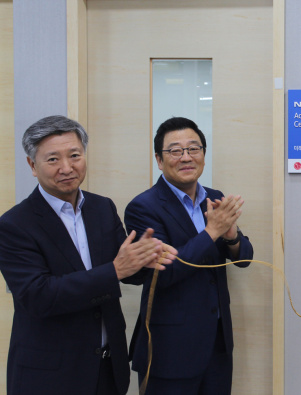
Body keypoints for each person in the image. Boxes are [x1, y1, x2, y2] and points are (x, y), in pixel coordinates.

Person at [0, 115, 175, 395]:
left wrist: (146, 258)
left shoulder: (102, 208)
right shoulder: (14, 224)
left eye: (75, 155)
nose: (67, 167)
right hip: (51, 373)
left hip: (108, 366)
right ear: (32, 165)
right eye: (53, 159)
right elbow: (38, 296)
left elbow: (126, 269)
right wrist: (116, 270)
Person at [125, 117, 253, 395]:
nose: (186, 157)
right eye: (175, 151)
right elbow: (163, 272)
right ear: (159, 160)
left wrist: (230, 236)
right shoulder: (142, 208)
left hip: (217, 344)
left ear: (203, 155)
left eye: (194, 149)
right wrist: (213, 231)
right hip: (169, 349)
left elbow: (244, 259)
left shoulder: (214, 197)